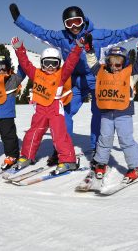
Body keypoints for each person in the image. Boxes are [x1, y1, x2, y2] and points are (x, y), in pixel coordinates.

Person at [9, 3, 138, 161]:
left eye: (77, 21)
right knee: (63, 113)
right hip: (75, 81)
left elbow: (123, 34)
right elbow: (39, 32)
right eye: (69, 23)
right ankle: (62, 148)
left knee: (98, 113)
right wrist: (19, 19)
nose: (74, 26)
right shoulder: (62, 37)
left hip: (96, 79)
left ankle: (97, 147)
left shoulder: (98, 35)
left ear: (83, 20)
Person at [10, 35, 86, 175]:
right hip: (40, 108)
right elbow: (26, 64)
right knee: (34, 132)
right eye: (47, 63)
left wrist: (78, 48)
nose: (50, 67)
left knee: (59, 134)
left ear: (58, 64)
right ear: (42, 63)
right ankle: (27, 155)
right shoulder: (37, 73)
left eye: (54, 63)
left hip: (55, 107)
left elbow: (70, 62)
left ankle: (68, 160)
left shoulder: (61, 74)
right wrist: (19, 49)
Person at [84, 31, 138, 182]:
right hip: (107, 113)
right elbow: (92, 63)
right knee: (104, 138)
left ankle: (136, 167)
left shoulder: (130, 74)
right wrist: (89, 50)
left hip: (124, 113)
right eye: (111, 63)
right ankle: (100, 162)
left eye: (118, 64)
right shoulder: (101, 72)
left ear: (124, 63)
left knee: (126, 140)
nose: (114, 67)